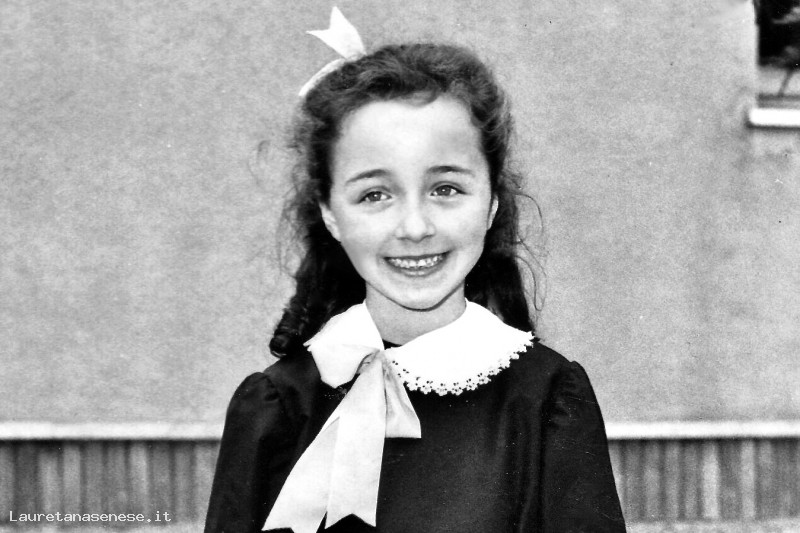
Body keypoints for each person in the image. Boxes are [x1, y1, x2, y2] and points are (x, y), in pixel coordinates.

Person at [205, 11, 625, 533]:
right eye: (374, 195)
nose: (415, 227)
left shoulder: (547, 400)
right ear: (331, 214)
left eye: (445, 188)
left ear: (492, 202)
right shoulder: (275, 407)